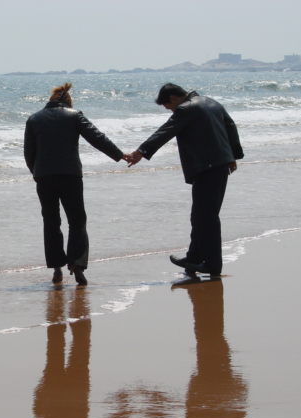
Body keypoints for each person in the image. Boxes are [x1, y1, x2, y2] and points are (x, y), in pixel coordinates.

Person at [128, 83, 243, 276]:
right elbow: (230, 127)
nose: (171, 111)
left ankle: (213, 265)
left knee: (206, 217)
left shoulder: (186, 108)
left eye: (169, 107)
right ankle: (194, 258)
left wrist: (141, 151)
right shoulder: (211, 102)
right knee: (201, 215)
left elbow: (166, 131)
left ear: (173, 98)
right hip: (219, 165)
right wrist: (232, 156)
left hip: (207, 166)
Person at [24, 83, 130, 285]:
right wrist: (119, 155)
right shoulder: (74, 115)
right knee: (77, 220)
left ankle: (57, 268)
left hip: (44, 177)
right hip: (70, 174)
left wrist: (36, 172)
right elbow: (97, 138)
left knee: (51, 222)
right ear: (68, 101)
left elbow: (29, 152)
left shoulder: (34, 119)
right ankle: (77, 265)